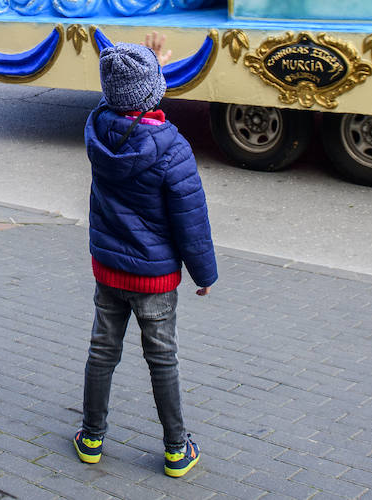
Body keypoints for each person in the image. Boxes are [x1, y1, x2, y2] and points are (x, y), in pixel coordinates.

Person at [75, 34, 218, 479]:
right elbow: (191, 220)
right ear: (154, 91)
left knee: (102, 351)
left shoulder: (99, 131)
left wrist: (150, 67)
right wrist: (204, 274)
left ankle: (91, 438)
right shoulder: (172, 148)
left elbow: (123, 99)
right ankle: (176, 449)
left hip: (108, 270)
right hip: (154, 280)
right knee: (162, 359)